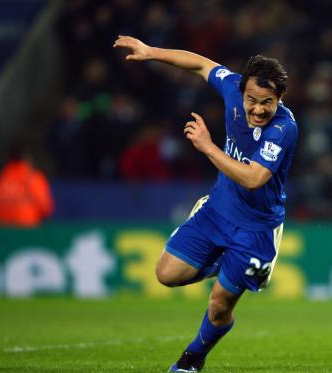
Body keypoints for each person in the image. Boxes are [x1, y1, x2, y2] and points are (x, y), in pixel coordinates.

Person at [114, 36, 298, 372]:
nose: (258, 109)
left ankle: (192, 358)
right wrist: (151, 52)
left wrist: (208, 147)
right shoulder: (231, 88)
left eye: (267, 103)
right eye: (252, 100)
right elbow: (200, 63)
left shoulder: (284, 128)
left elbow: (254, 178)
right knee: (165, 274)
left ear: (280, 98)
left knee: (218, 306)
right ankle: (230, 266)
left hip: (256, 229)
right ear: (241, 90)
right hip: (217, 211)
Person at [0, 144, 54, 228]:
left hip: (3, 236)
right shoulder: (34, 179)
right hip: (28, 235)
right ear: (26, 158)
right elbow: (46, 209)